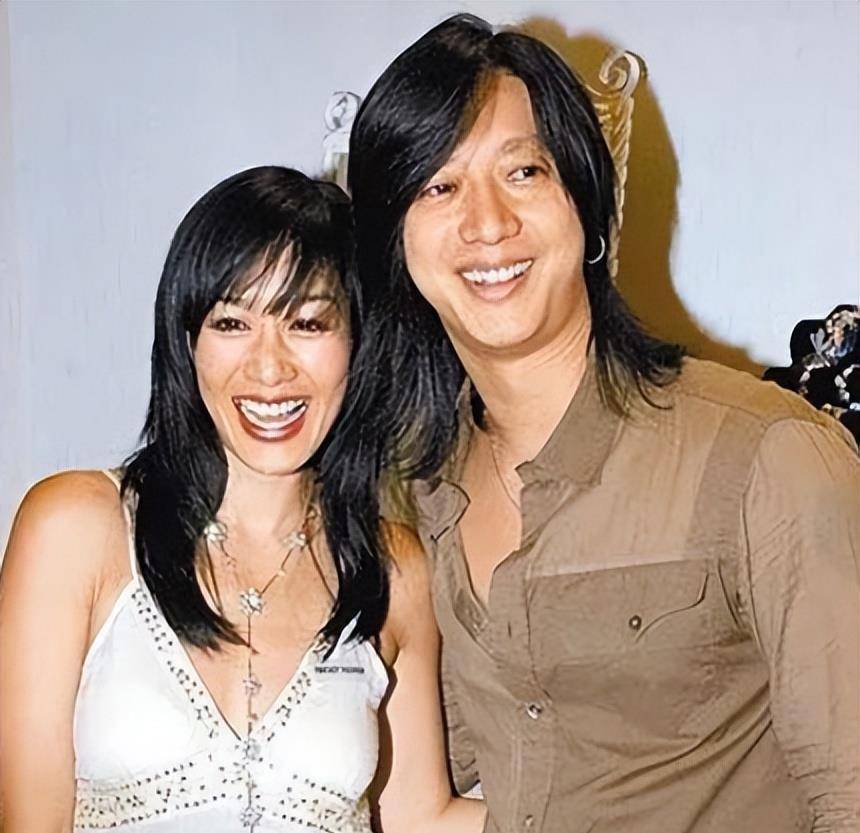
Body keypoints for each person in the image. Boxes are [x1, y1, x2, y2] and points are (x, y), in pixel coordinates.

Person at [346, 14, 860, 833]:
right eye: (438, 187)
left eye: (523, 172)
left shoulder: (766, 455)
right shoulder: (415, 501)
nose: (487, 223)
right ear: (396, 245)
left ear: (584, 204)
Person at [0, 166, 485, 833]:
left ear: (356, 344)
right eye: (232, 322)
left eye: (308, 323)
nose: (269, 366)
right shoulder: (76, 526)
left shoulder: (393, 568)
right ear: (187, 341)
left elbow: (420, 819)